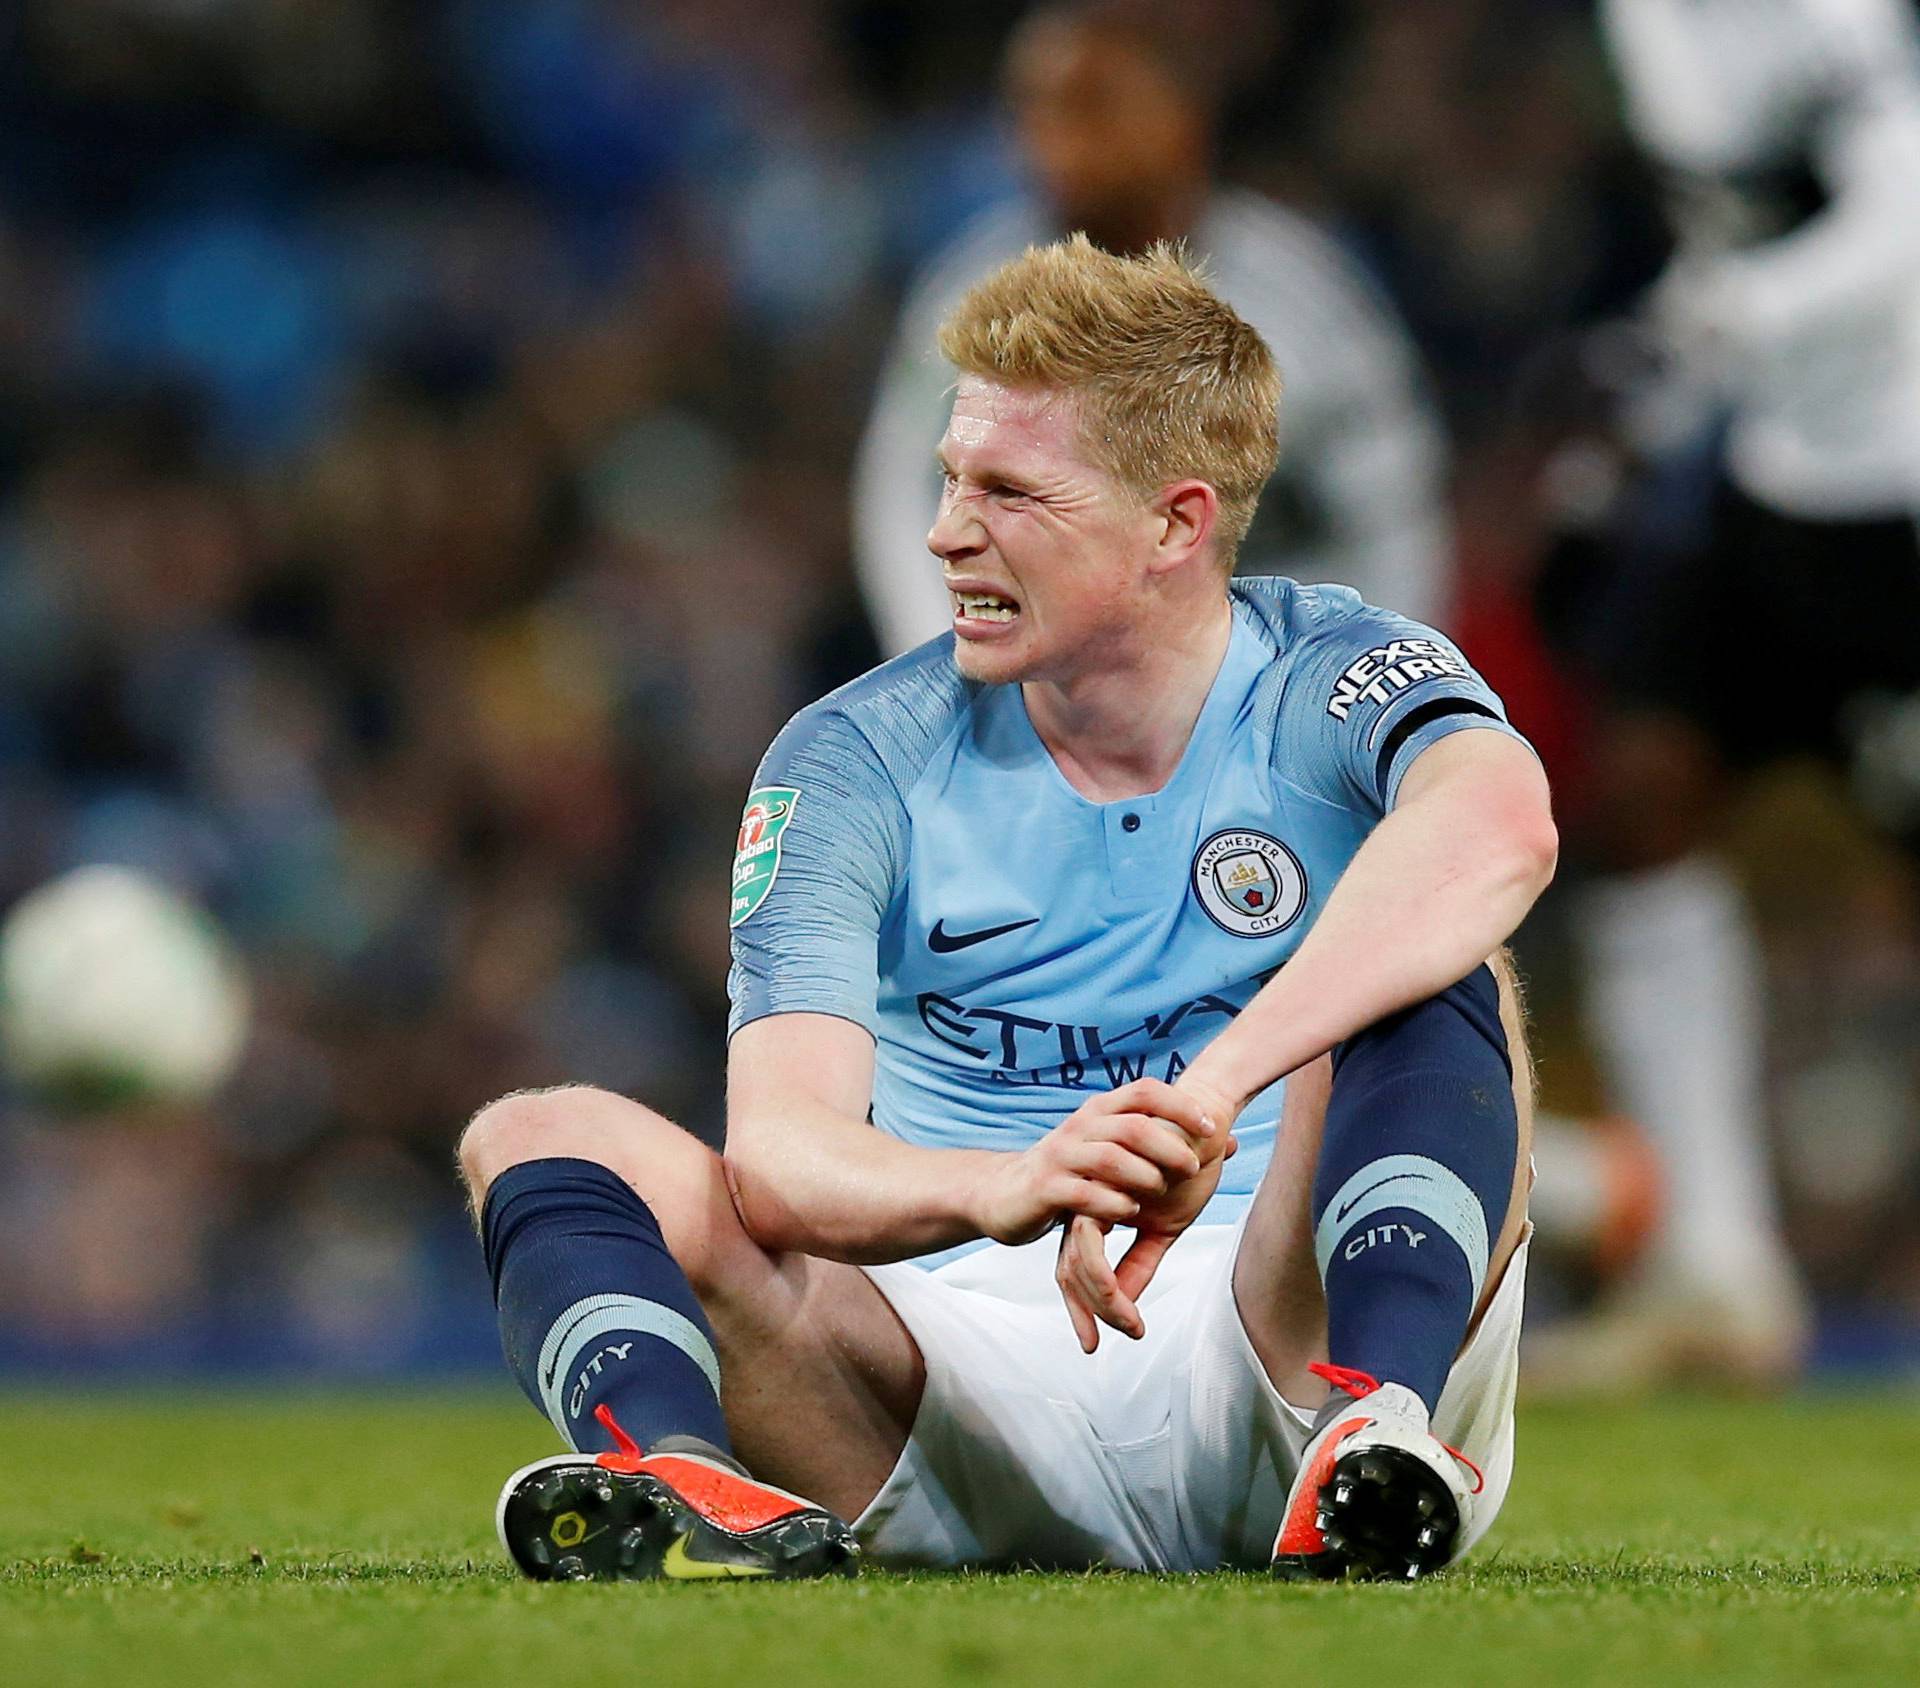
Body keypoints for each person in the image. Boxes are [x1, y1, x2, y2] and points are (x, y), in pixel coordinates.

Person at [458, 237, 1556, 1582]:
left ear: (1176, 521)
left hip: (1283, 1326)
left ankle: (1379, 1431)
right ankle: (684, 1482)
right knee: (539, 1133)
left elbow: (1500, 825)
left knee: (1449, 968)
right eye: (948, 480)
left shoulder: (1338, 673)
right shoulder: (852, 755)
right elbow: (781, 1155)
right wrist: (1010, 1186)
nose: (944, 532)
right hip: (939, 1386)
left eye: (1010, 492)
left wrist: (1207, 1097)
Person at [1531, 0, 1920, 1386]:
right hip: (1777, 473)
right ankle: (1718, 1270)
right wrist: (1656, 398)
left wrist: (1721, 323)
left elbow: (1906, 210)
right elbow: (1725, 231)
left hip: (1900, 479)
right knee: (1643, 793)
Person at [854, 1, 1451, 651]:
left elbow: (1393, 507)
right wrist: (962, 670)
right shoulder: (975, 294)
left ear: (1185, 119)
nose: (1064, 138)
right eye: (1042, 111)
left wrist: (1354, 693)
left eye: (1097, 105)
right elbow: (902, 501)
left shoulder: (1302, 293)